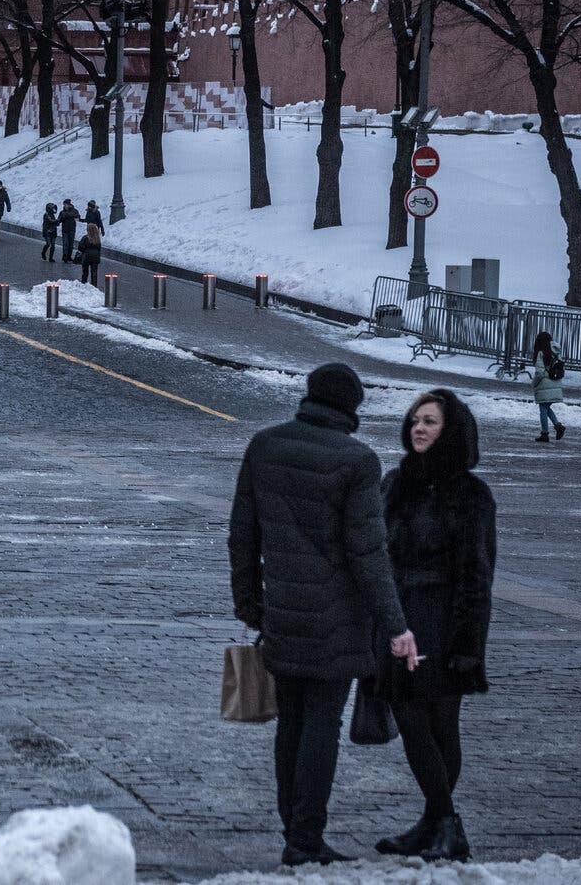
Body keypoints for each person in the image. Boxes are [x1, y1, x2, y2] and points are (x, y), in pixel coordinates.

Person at [229, 363, 416, 868]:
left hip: (282, 613)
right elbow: (368, 554)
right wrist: (396, 624)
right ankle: (307, 839)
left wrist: (250, 604)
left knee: (290, 721)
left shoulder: (265, 445)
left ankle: (294, 830)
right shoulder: (358, 461)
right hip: (339, 619)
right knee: (321, 724)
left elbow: (242, 532)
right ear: (351, 407)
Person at [374, 389, 496, 864]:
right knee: (409, 715)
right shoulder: (394, 483)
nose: (418, 429)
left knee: (440, 722)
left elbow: (477, 575)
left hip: (444, 620)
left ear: (453, 431)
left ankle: (443, 823)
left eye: (430, 422)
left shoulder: (470, 494)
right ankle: (436, 822)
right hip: (399, 617)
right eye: (415, 421)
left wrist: (468, 646)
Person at [530, 332, 567, 443]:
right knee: (546, 408)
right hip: (555, 382)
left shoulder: (541, 353)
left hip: (544, 384)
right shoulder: (556, 352)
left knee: (543, 409)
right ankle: (557, 426)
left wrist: (534, 384)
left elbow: (540, 372)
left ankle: (545, 434)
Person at [76, 222, 103, 288]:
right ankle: (94, 285)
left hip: (86, 256)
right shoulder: (97, 239)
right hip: (95, 257)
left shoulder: (85, 238)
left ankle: (84, 284)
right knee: (94, 272)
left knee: (85, 271)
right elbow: (99, 248)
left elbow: (80, 247)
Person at [58, 199, 80, 263]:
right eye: (64, 205)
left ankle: (69, 256)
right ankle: (65, 256)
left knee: (71, 244)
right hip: (64, 230)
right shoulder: (62, 212)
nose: (65, 206)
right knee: (65, 244)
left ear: (69, 205)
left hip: (72, 230)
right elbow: (59, 220)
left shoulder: (75, 211)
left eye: (65, 204)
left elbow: (77, 216)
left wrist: (68, 215)